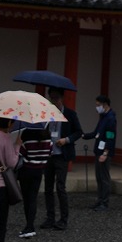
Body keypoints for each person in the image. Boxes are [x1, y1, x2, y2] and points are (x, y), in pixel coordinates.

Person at [40, 88, 82, 231]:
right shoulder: (47, 114)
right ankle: (50, 217)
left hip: (62, 155)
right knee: (48, 188)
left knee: (60, 187)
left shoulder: (70, 114)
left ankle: (63, 219)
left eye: (56, 98)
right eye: (51, 98)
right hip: (49, 154)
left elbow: (79, 132)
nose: (54, 101)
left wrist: (66, 140)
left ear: (62, 98)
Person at [17, 123, 52, 238]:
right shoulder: (48, 139)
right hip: (39, 171)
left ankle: (29, 226)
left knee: (26, 199)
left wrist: (18, 143)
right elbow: (49, 153)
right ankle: (30, 226)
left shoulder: (26, 135)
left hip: (26, 171)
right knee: (33, 199)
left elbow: (21, 153)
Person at [82, 94, 116, 212]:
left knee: (104, 178)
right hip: (98, 151)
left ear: (104, 104)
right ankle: (99, 200)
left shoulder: (111, 118)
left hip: (104, 153)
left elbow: (110, 137)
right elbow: (96, 133)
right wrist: (83, 135)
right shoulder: (103, 117)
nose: (97, 107)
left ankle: (104, 203)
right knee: (99, 177)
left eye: (98, 105)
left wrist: (105, 153)